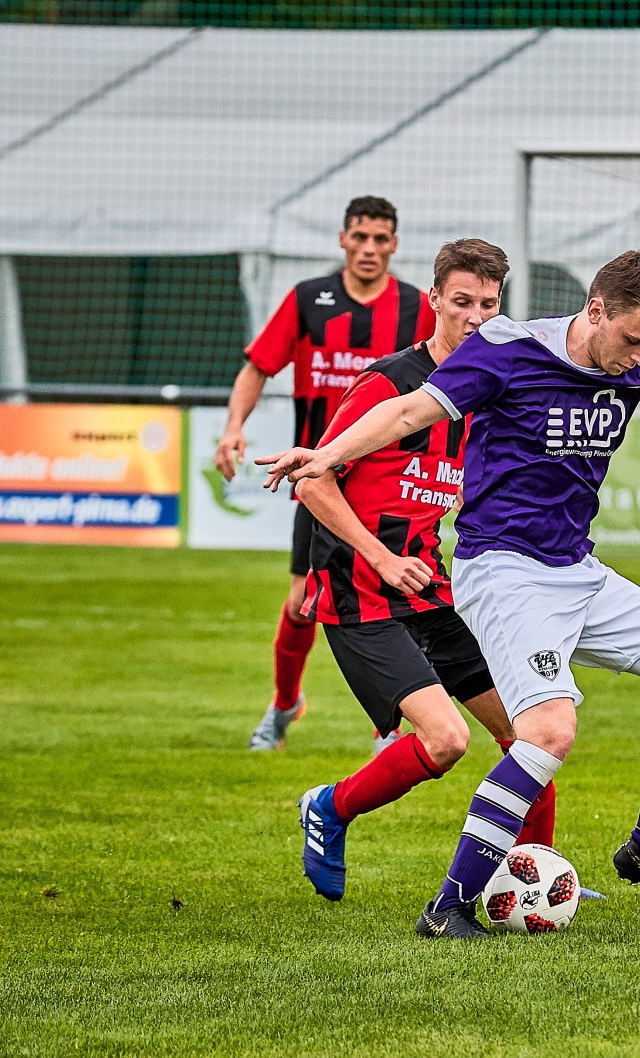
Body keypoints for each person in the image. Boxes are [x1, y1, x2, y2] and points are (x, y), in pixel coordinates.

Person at [260, 250, 640, 939]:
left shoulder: (638, 358)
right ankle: (447, 909)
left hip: (573, 568)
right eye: (632, 340)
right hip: (502, 569)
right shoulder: (505, 349)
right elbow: (411, 408)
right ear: (596, 312)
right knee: (548, 731)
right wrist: (327, 456)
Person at [289, 239, 559, 901]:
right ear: (433, 299)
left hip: (433, 589)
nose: (473, 315)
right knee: (445, 740)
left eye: (487, 305)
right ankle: (330, 806)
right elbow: (314, 482)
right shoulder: (388, 384)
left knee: (531, 732)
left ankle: (539, 877)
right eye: (460, 301)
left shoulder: (486, 391)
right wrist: (381, 558)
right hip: (358, 593)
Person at [214, 196, 435, 752]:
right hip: (321, 481)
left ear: (394, 245)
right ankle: (285, 703)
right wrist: (232, 428)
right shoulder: (309, 300)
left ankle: (388, 729)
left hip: (393, 481)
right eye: (359, 237)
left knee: (398, 597)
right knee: (301, 605)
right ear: (342, 239)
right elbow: (258, 366)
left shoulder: (417, 308)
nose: (368, 249)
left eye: (380, 239)